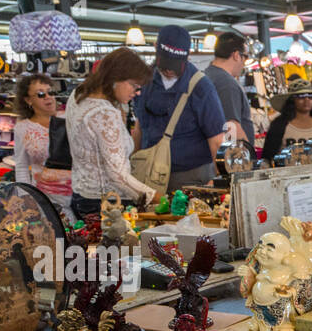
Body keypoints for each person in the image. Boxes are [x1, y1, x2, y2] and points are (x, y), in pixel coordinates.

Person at [131, 25, 226, 192]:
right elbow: (139, 127)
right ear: (156, 49)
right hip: (148, 176)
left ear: (187, 57)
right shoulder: (145, 80)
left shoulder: (201, 87)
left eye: (175, 66)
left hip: (190, 179)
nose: (169, 70)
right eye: (165, 63)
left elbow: (217, 140)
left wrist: (220, 180)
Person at [66, 46, 156, 217]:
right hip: (107, 204)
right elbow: (118, 176)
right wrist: (155, 197)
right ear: (116, 78)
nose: (137, 92)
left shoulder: (78, 95)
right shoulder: (105, 113)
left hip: (81, 196)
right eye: (134, 85)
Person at [12, 73, 73, 220]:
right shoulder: (22, 128)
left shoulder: (70, 118)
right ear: (28, 100)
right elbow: (21, 166)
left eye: (50, 92)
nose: (48, 97)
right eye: (40, 94)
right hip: (45, 199)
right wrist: (25, 198)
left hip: (77, 194)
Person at [202, 32, 254, 150]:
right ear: (236, 55)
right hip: (228, 157)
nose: (244, 63)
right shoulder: (226, 83)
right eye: (245, 57)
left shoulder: (208, 75)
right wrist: (248, 156)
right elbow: (231, 127)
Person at [260, 78, 312, 163]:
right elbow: (267, 157)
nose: (306, 100)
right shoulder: (279, 125)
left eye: (310, 96)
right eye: (301, 96)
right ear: (292, 100)